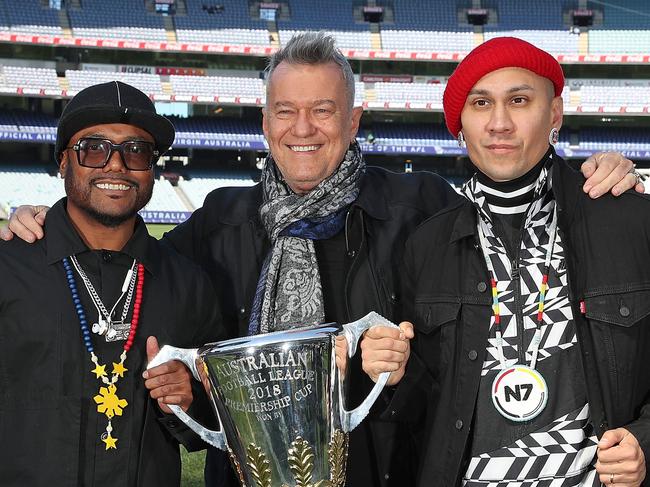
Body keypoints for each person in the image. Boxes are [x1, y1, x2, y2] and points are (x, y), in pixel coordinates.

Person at [0, 33, 642, 487]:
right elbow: (147, 283)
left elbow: (510, 206)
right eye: (286, 111)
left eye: (322, 111)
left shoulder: (420, 210)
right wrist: (41, 221)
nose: (302, 128)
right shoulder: (217, 223)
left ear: (354, 119)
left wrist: (593, 180)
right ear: (264, 121)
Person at [360, 37, 650, 487]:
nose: (499, 123)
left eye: (519, 100)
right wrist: (394, 373)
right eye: (480, 104)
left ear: (554, 113)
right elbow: (431, 405)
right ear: (460, 125)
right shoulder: (426, 245)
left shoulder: (632, 220)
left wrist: (645, 444)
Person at [0, 81, 223, 486]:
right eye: (94, 148)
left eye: (136, 151)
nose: (116, 165)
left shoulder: (189, 285)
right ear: (64, 161)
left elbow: (216, 423)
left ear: (152, 168)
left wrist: (185, 401)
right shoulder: (8, 266)